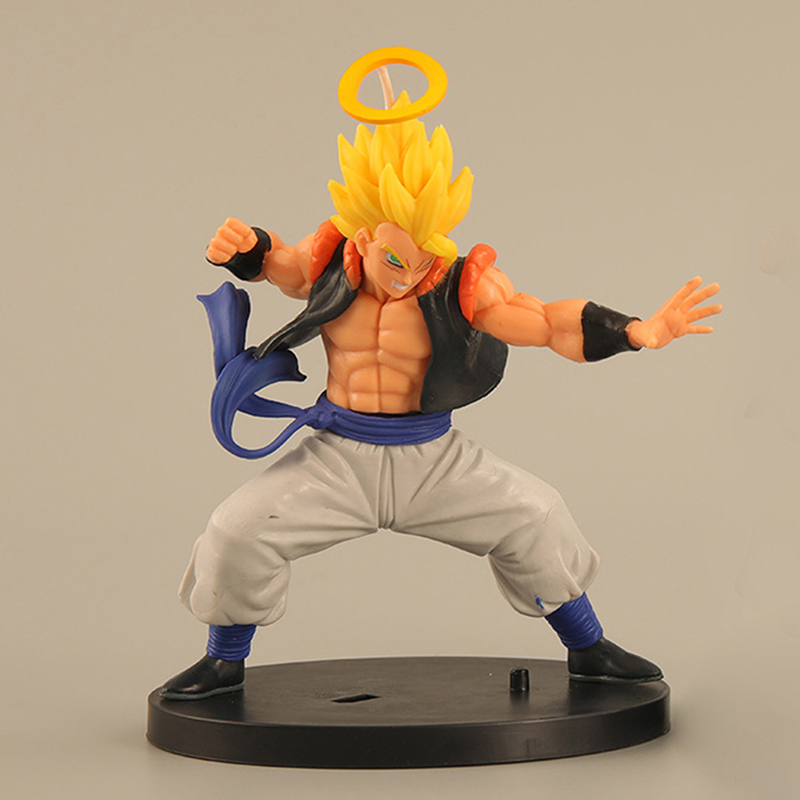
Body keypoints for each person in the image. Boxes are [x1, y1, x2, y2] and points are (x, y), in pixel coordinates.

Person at [159, 89, 721, 701]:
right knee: (236, 531)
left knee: (537, 516)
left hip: (432, 458)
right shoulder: (329, 262)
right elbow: (278, 264)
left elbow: (545, 322)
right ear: (362, 236)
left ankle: (588, 648)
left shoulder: (460, 284)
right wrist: (246, 248)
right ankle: (223, 662)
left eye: (424, 257)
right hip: (337, 458)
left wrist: (636, 331)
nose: (409, 274)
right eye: (394, 258)